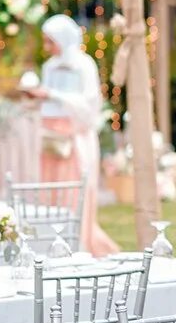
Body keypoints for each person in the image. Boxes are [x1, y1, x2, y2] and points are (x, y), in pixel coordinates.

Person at [22, 14, 119, 257]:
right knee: (50, 193)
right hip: (50, 140)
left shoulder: (83, 64)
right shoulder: (49, 66)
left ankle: (79, 244)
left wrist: (53, 95)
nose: (47, 47)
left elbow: (89, 104)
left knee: (75, 193)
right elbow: (47, 103)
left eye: (50, 41)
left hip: (75, 140)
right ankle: (54, 245)